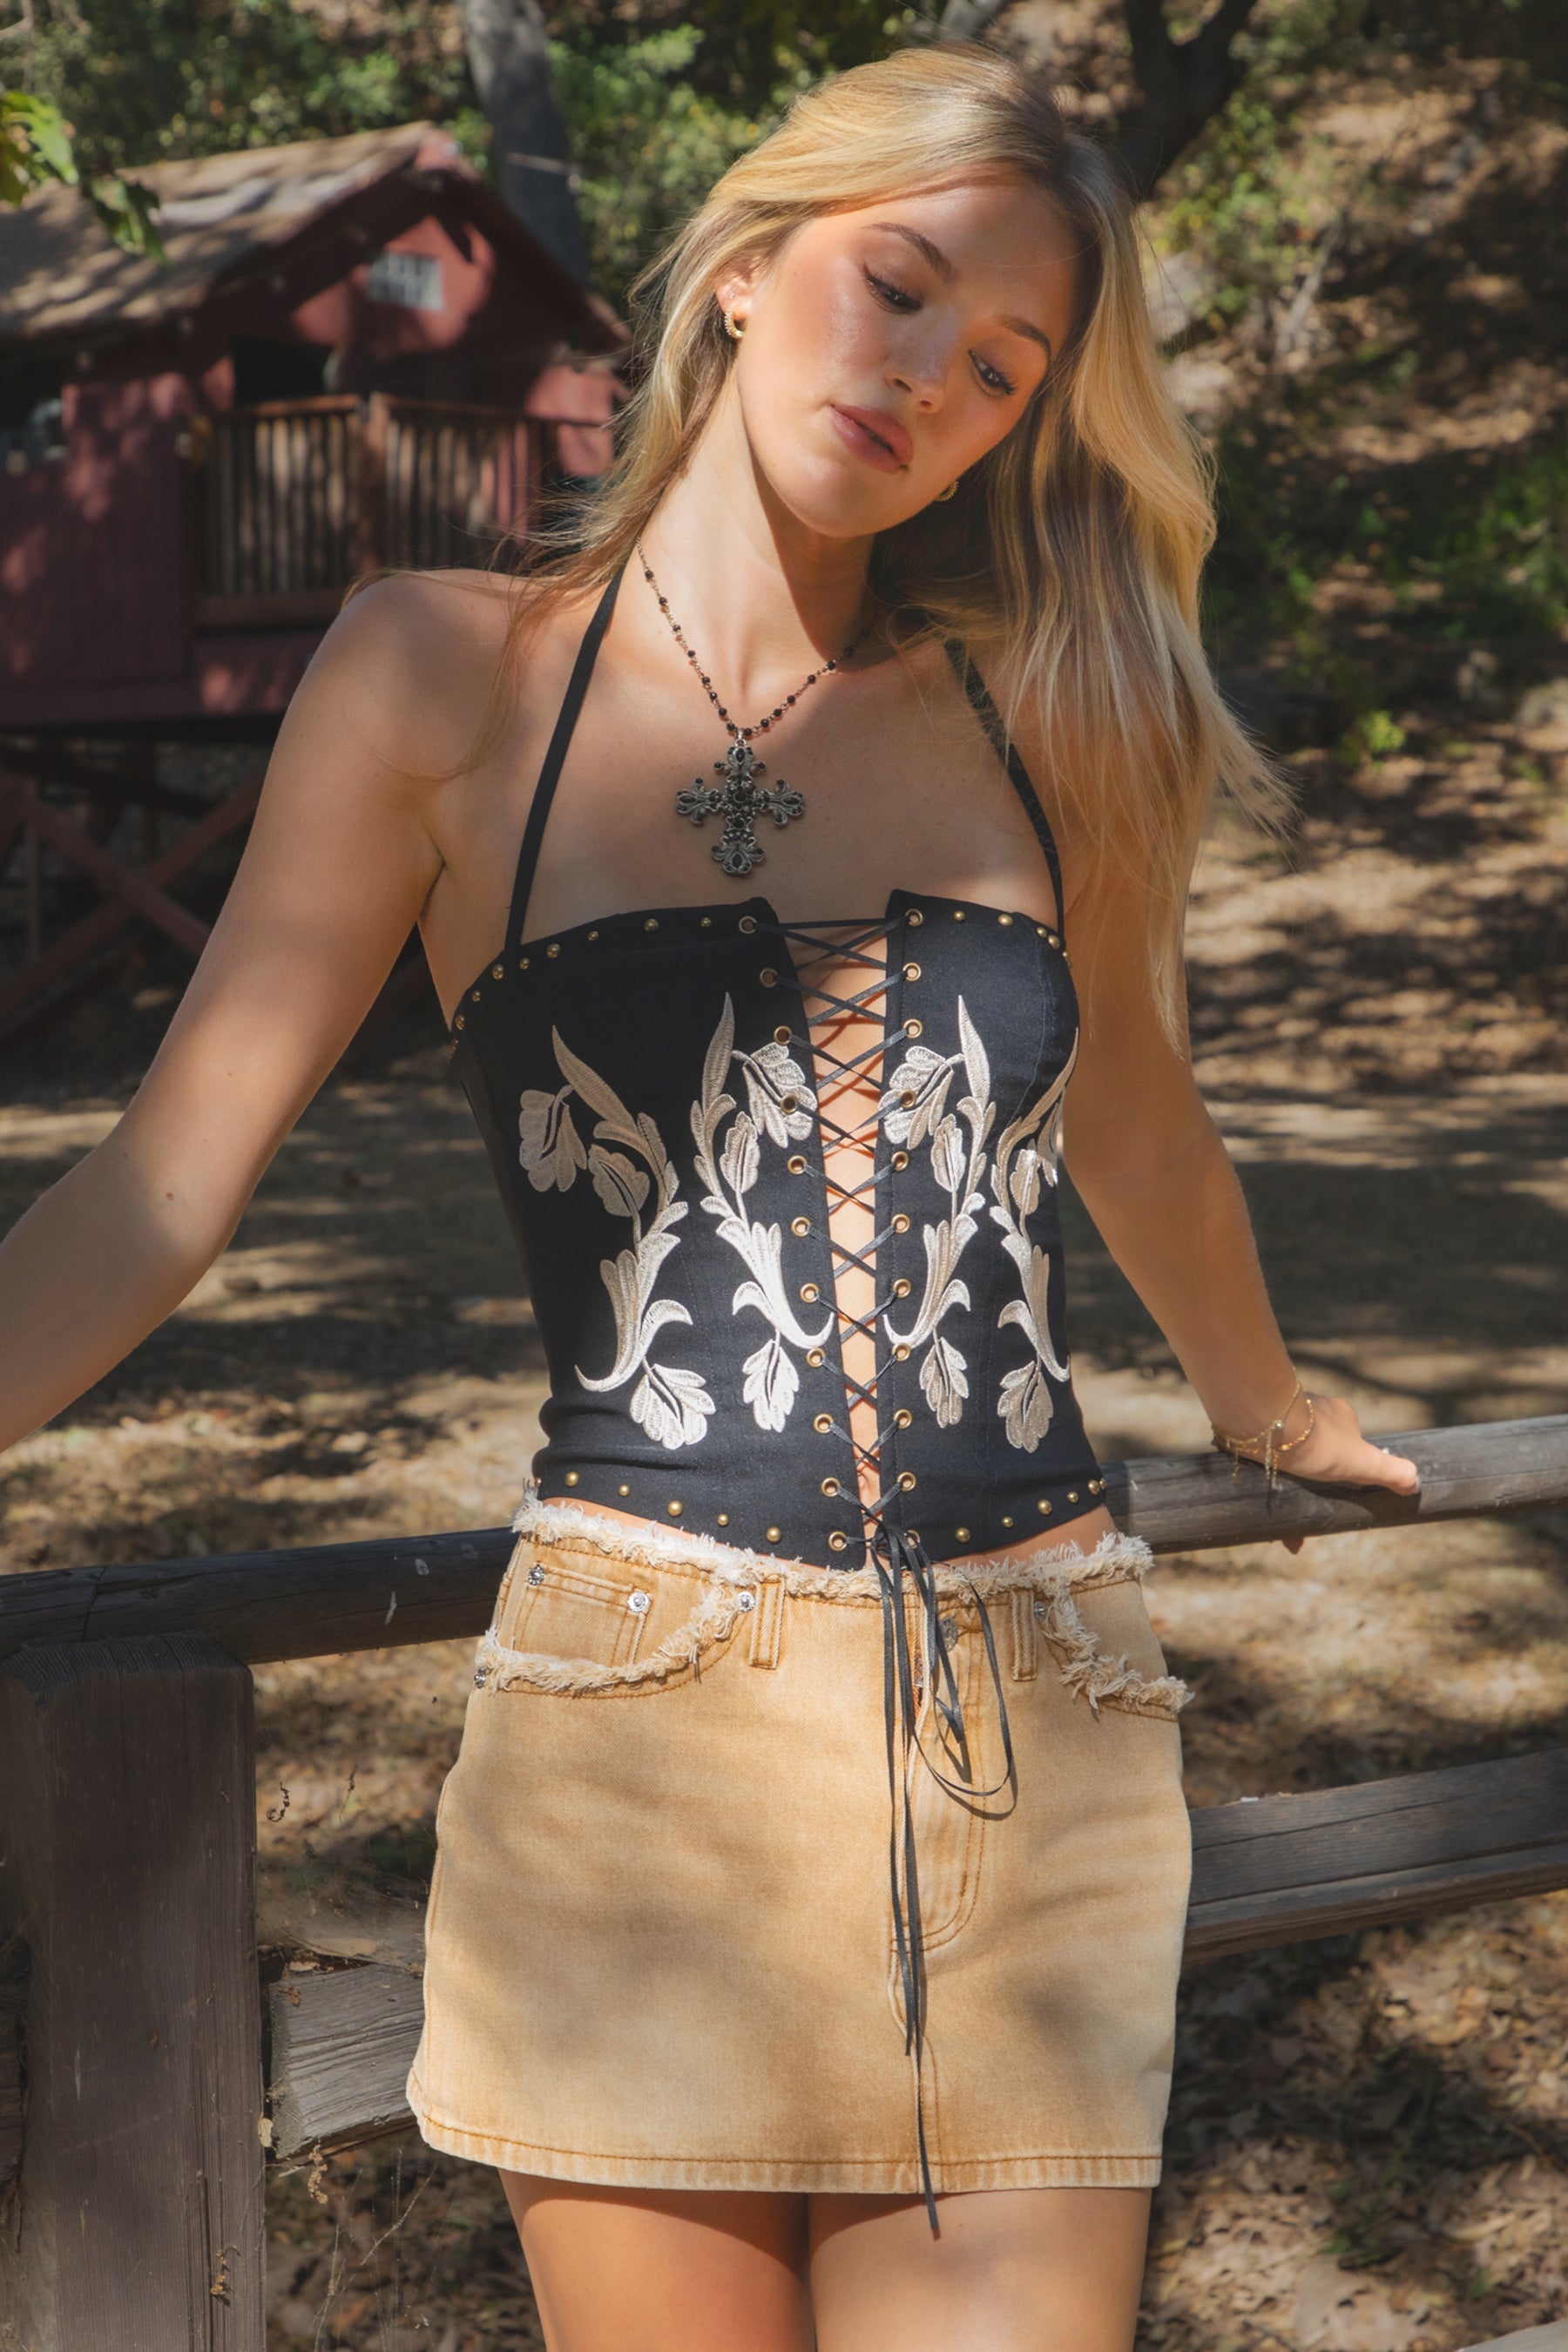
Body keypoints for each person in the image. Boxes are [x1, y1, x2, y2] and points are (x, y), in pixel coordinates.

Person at [0, 45, 1420, 2352]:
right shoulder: (444, 677)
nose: (927, 377)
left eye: (1000, 367)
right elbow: (162, 1190)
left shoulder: (1049, 716)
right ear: (753, 269)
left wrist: (1266, 1407)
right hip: (635, 1740)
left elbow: (1140, 1124)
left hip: (1031, 1720)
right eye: (900, 285)